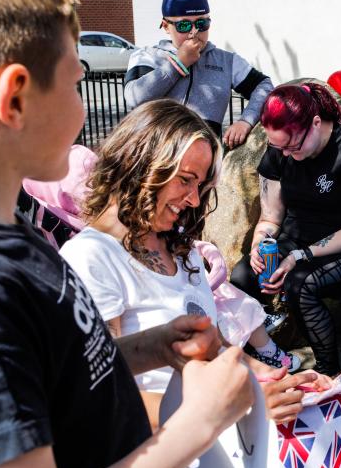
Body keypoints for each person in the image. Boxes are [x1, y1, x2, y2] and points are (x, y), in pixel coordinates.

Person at [0, 0, 253, 468]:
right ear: (14, 99)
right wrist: (202, 424)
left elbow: (64, 376)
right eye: (77, 84)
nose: (85, 117)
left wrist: (151, 346)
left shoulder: (16, 237)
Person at [59, 99, 301, 425]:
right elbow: (103, 392)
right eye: (185, 179)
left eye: (200, 185)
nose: (194, 200)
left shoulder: (181, 249)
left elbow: (213, 346)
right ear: (139, 164)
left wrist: (273, 379)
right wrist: (240, 411)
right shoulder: (91, 258)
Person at [230, 82, 341, 375]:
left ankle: (328, 372)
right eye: (280, 148)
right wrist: (259, 247)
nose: (286, 155)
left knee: (301, 284)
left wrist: (299, 256)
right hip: (297, 236)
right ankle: (268, 358)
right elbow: (271, 218)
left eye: (293, 146)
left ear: (316, 123)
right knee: (241, 279)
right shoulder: (282, 146)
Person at [124, 0, 273, 149]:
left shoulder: (226, 60)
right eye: (184, 25)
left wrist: (246, 121)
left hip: (203, 161)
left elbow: (264, 85)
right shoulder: (147, 56)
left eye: (202, 24)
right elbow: (135, 97)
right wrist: (179, 63)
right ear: (166, 26)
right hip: (156, 157)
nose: (194, 32)